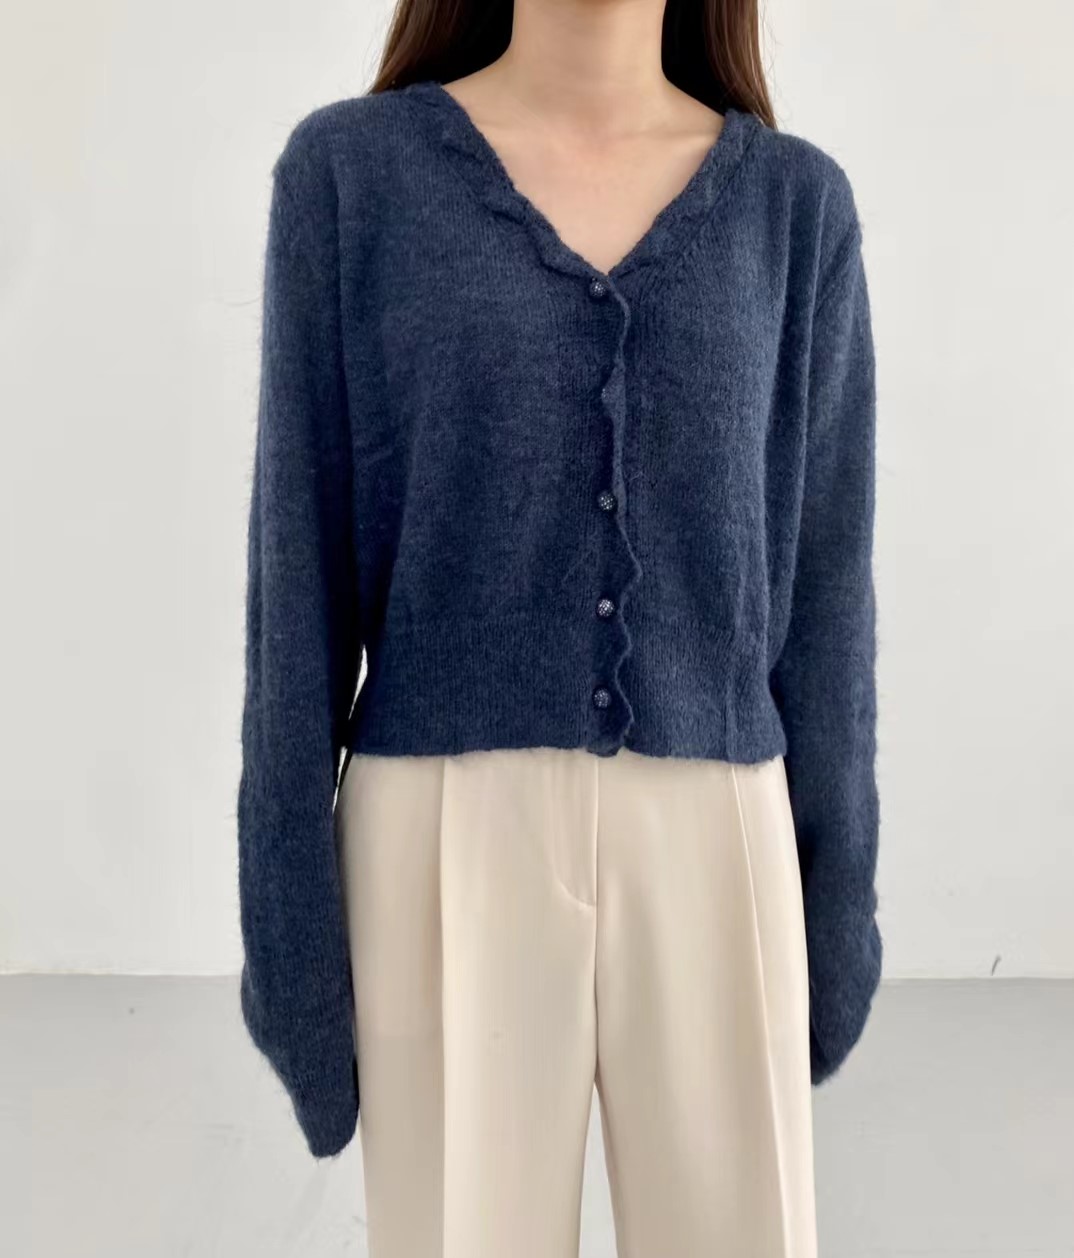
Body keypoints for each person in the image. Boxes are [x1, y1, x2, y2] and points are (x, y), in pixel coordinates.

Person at [236, 1, 884, 1254]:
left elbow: (829, 606)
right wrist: (291, 938)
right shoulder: (352, 181)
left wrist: (836, 900)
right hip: (440, 837)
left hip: (717, 832)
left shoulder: (794, 210)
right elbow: (292, 589)